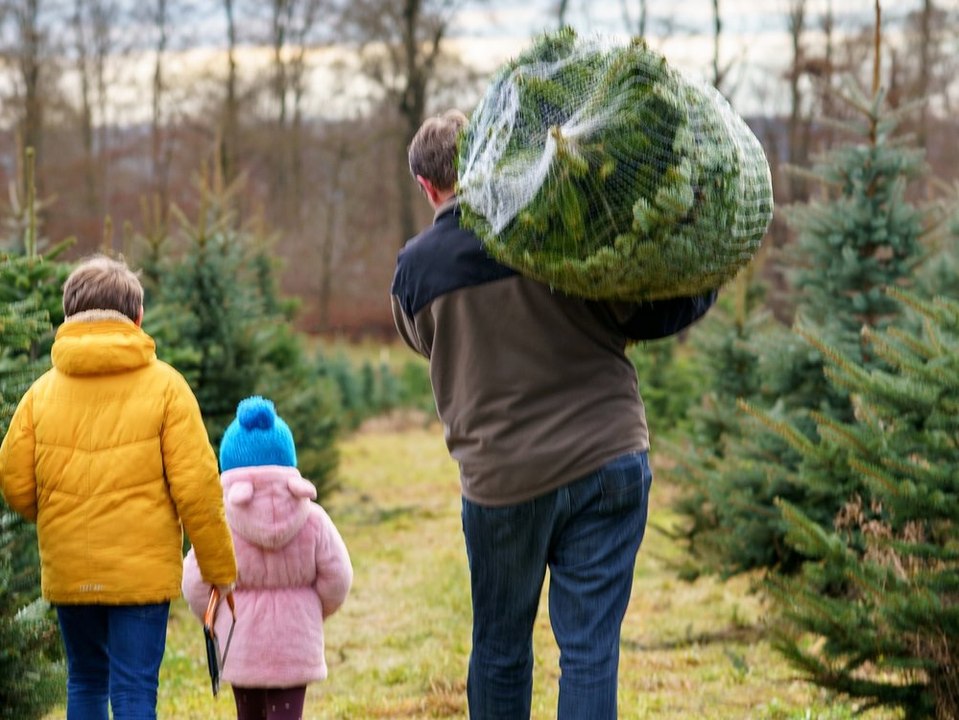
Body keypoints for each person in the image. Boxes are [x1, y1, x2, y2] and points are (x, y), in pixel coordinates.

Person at [390, 109, 717, 719]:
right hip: (608, 455)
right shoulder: (557, 228)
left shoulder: (416, 269)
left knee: (500, 646)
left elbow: (423, 341)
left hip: (504, 481)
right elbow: (648, 316)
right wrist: (705, 278)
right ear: (491, 157)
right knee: (590, 649)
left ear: (427, 186)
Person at [0, 254, 237, 720]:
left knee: (85, 679)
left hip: (70, 566)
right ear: (137, 317)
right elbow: (198, 489)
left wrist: (58, 514)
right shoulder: (167, 388)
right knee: (133, 690)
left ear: (68, 317)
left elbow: (14, 482)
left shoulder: (39, 394)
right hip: (141, 576)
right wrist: (219, 570)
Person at [182, 395, 353, 720]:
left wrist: (216, 620)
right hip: (295, 642)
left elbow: (195, 583)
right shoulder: (314, 519)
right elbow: (339, 576)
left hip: (241, 640)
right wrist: (312, 611)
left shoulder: (220, 522)